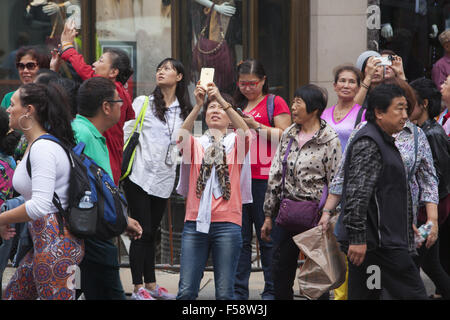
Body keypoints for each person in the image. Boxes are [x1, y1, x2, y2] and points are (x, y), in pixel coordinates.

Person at [334, 83, 428, 300]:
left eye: (406, 109)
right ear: (378, 112)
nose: (405, 115)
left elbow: (386, 193)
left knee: (369, 293)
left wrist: (405, 223)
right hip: (376, 246)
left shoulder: (383, 139)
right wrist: (357, 238)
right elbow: (357, 196)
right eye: (399, 108)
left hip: (382, 244)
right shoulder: (369, 142)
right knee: (411, 294)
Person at [0, 82, 84, 300]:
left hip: (58, 247)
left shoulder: (43, 148)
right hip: (45, 245)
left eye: (12, 104)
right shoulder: (36, 145)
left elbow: (40, 206)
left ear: (29, 110)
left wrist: (1, 218)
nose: (8, 109)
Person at [261, 84, 342, 300]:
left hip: (316, 216)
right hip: (286, 213)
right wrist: (269, 215)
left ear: (314, 109)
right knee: (280, 273)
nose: (293, 107)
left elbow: (336, 180)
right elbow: (276, 174)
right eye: (293, 101)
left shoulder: (329, 139)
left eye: (299, 102)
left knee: (317, 278)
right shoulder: (289, 133)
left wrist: (328, 214)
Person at [122, 58, 192, 300]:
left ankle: (151, 286)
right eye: (159, 68)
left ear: (179, 77)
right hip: (139, 176)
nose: (161, 72)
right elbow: (127, 133)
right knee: (140, 231)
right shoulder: (143, 103)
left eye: (168, 69)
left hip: (163, 178)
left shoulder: (184, 110)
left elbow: (184, 141)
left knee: (151, 232)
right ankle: (136, 287)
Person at [176, 82, 250, 300]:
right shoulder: (197, 144)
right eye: (211, 107)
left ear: (229, 115)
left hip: (228, 225)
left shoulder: (236, 144)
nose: (215, 110)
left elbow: (246, 132)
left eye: (220, 108)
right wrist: (198, 105)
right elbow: (180, 137)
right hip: (194, 223)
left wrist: (223, 100)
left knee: (225, 293)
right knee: (186, 291)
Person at [72, 77, 142, 300]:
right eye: (118, 100)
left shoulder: (91, 132)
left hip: (95, 233)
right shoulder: (80, 134)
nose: (122, 106)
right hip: (89, 237)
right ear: (106, 107)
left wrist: (122, 221)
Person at [233, 59, 291, 300]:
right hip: (239, 178)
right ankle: (238, 292)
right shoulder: (237, 105)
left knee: (268, 238)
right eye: (243, 84)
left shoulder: (274, 103)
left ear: (264, 81)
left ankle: (271, 291)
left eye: (253, 83)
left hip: (266, 180)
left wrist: (255, 125)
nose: (247, 88)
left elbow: (285, 136)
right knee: (240, 240)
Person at [57, 20, 135, 185]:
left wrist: (68, 47)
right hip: (109, 165)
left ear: (113, 72)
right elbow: (129, 116)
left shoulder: (113, 89)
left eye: (100, 61)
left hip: (105, 167)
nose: (93, 64)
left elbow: (84, 71)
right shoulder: (122, 91)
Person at [410, 77, 450, 300]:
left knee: (414, 262)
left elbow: (434, 177)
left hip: (430, 209)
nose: (405, 108)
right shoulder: (423, 129)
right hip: (429, 208)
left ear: (423, 103)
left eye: (409, 103)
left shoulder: (431, 134)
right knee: (430, 263)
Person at [322, 65, 366, 151]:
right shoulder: (323, 114)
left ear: (358, 88)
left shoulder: (364, 114)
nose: (346, 86)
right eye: (342, 81)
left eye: (352, 82)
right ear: (335, 86)